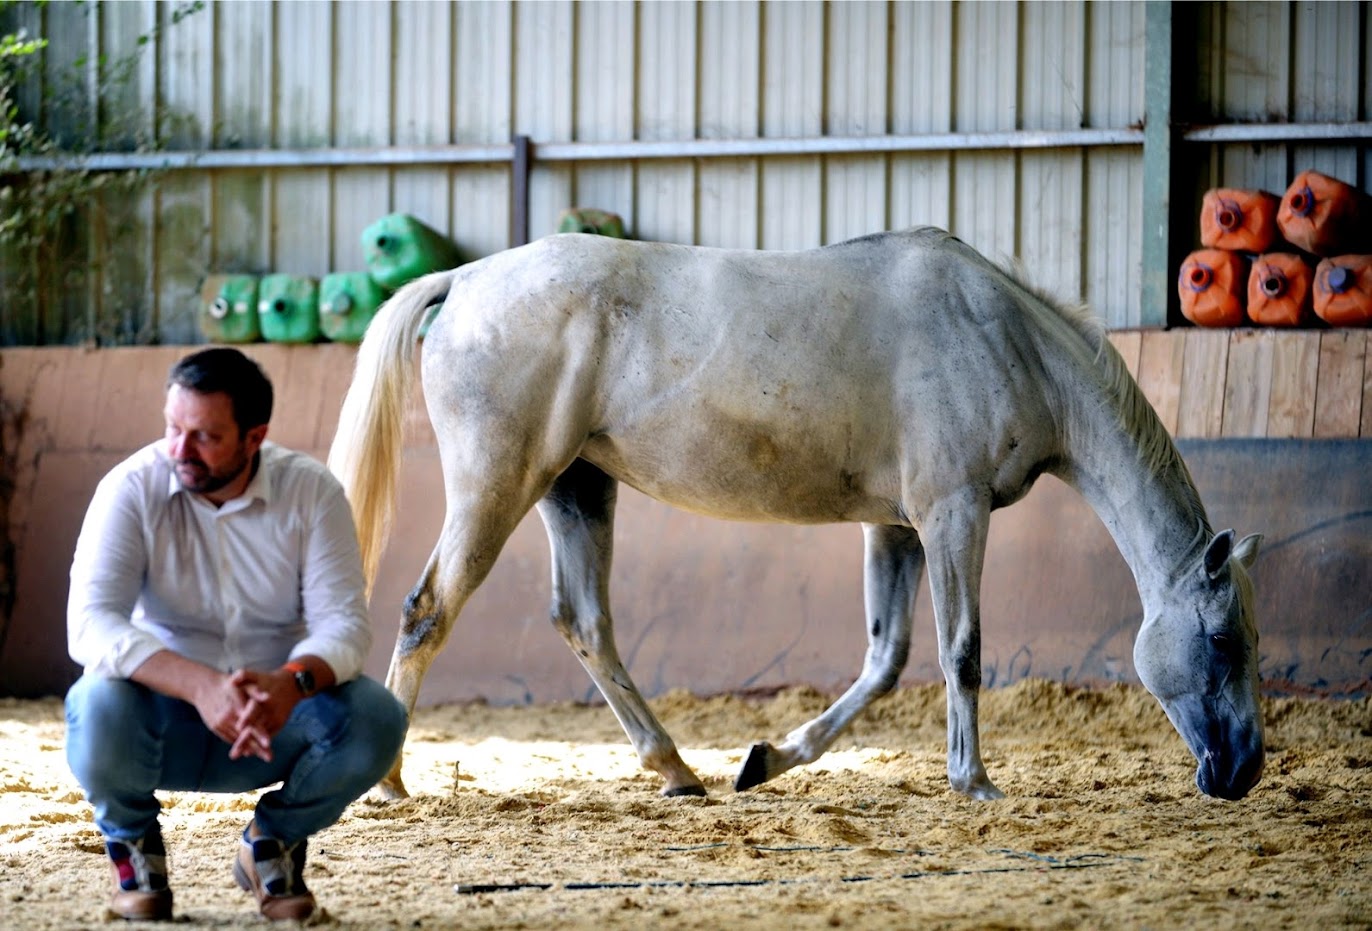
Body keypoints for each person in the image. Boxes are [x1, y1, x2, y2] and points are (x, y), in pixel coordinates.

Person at [64, 347, 408, 922]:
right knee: (95, 701)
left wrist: (289, 686)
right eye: (173, 428)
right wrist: (201, 686)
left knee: (378, 717)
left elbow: (345, 625)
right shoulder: (129, 487)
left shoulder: (312, 492)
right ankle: (135, 851)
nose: (180, 449)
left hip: (275, 721)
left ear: (254, 438)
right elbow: (90, 624)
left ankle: (271, 843)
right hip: (161, 719)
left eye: (204, 436)